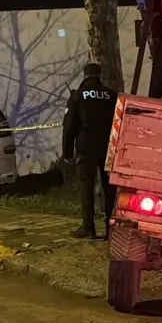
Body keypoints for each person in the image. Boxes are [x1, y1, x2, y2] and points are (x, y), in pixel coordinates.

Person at [61, 63, 119, 239]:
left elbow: (69, 126)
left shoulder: (78, 96)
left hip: (86, 147)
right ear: (99, 75)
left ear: (85, 76)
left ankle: (88, 228)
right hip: (108, 147)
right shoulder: (111, 95)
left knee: (86, 187)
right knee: (109, 189)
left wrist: (67, 152)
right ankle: (111, 229)